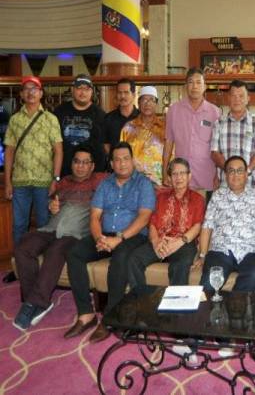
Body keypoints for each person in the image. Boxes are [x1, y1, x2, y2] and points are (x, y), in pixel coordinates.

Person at [64, 142, 155, 343]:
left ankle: (109, 318)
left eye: (126, 158)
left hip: (132, 236)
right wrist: (100, 239)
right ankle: (85, 314)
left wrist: (119, 238)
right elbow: (95, 216)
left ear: (133, 161)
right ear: (111, 164)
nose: (122, 163)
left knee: (121, 257)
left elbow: (144, 217)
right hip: (105, 234)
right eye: (117, 159)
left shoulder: (143, 184)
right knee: (74, 253)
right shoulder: (105, 184)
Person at [12, 145, 106, 330]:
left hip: (76, 232)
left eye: (85, 163)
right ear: (72, 164)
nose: (80, 166)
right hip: (51, 228)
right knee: (23, 247)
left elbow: (123, 176)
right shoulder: (63, 182)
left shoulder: (101, 180)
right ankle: (38, 300)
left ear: (93, 166)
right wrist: (51, 205)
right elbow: (52, 201)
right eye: (77, 162)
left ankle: (32, 304)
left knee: (56, 251)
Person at [3, 76, 63, 284]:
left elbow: (58, 150)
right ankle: (20, 268)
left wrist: (55, 178)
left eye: (34, 89)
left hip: (44, 182)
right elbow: (9, 151)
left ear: (41, 93)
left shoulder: (50, 119)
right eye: (26, 89)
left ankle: (44, 268)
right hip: (19, 182)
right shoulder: (14, 120)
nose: (30, 92)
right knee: (19, 225)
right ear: (21, 94)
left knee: (45, 225)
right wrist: (8, 181)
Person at [128, 158, 205, 292]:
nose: (178, 177)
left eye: (182, 173)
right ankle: (142, 302)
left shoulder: (198, 199)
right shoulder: (160, 197)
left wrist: (179, 242)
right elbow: (152, 224)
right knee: (134, 259)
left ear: (189, 176)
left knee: (180, 266)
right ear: (169, 177)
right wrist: (156, 241)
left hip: (184, 243)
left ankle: (176, 309)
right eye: (174, 174)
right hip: (161, 240)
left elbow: (197, 226)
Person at [196, 156, 255, 292]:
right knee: (210, 282)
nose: (235, 175)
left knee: (254, 274)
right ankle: (206, 311)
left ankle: (234, 306)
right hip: (221, 251)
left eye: (240, 171)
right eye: (231, 171)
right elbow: (207, 226)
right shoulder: (217, 196)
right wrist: (202, 255)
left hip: (250, 252)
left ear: (246, 174)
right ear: (226, 175)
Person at [162, 68, 220, 190]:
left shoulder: (215, 112)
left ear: (205, 87)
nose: (195, 86)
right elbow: (168, 143)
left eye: (199, 82)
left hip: (206, 176)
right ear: (185, 86)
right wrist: (164, 171)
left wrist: (218, 174)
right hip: (181, 177)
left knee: (205, 208)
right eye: (191, 82)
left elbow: (219, 147)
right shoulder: (174, 110)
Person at [211, 79, 255, 188]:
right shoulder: (218, 123)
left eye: (241, 96)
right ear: (228, 98)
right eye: (233, 96)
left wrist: (246, 172)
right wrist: (230, 172)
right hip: (225, 185)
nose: (237, 99)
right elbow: (215, 153)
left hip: (251, 184)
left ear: (248, 99)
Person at [54, 73, 105, 175]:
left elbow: (102, 148)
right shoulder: (60, 112)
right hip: (64, 174)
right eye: (79, 88)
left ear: (91, 92)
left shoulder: (100, 115)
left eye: (86, 89)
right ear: (72, 90)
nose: (83, 92)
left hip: (91, 176)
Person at [120, 85, 165, 185]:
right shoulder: (128, 128)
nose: (147, 103)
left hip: (159, 182)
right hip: (133, 182)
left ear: (156, 103)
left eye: (151, 100)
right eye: (144, 100)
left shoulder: (165, 128)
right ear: (138, 103)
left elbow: (171, 154)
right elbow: (121, 155)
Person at [102, 78, 139, 155]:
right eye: (119, 92)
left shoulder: (141, 117)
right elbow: (106, 145)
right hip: (116, 164)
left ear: (134, 95)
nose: (122, 96)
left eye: (126, 92)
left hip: (139, 165)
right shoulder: (108, 118)